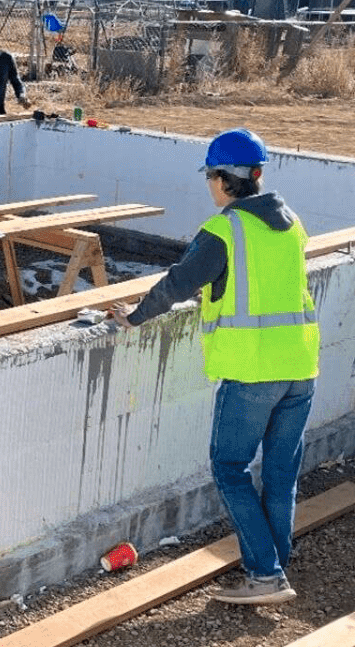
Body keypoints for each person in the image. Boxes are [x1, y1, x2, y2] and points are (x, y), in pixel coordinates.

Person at [112, 129, 319, 607]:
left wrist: (134, 317)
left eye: (210, 176)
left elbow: (178, 283)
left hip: (253, 372)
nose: (209, 186)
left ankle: (265, 576)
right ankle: (274, 563)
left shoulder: (225, 231)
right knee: (282, 473)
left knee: (230, 468)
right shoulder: (292, 225)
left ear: (222, 179)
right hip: (301, 366)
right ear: (258, 175)